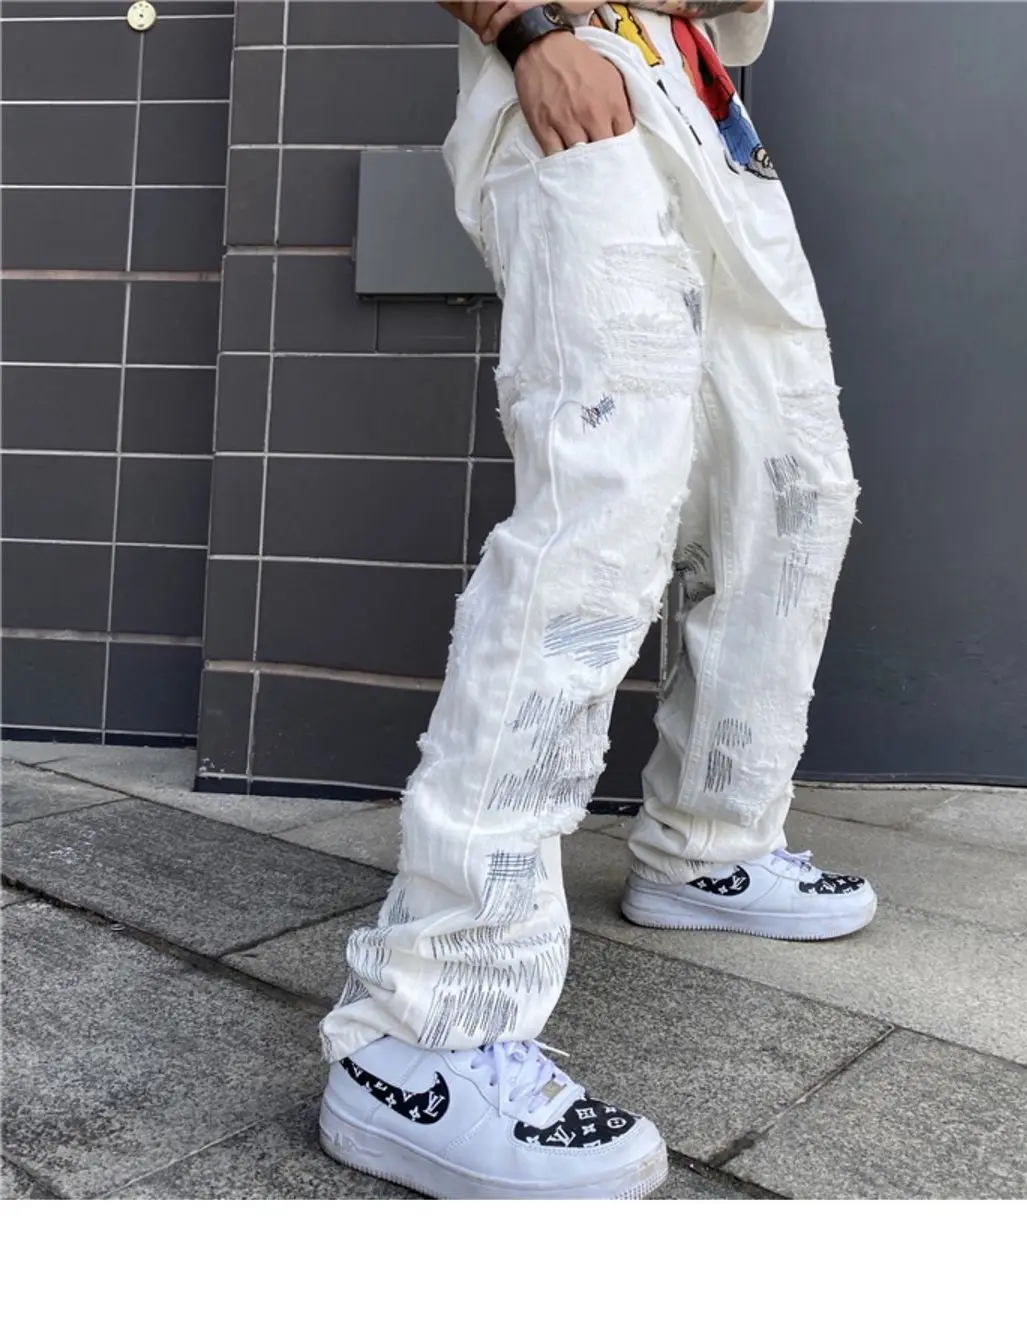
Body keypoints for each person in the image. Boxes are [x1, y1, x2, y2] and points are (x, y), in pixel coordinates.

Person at [317, 0, 876, 1201]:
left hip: (702, 116)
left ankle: (709, 847)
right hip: (578, 80)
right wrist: (527, 30)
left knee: (793, 490)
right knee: (603, 517)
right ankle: (424, 1027)